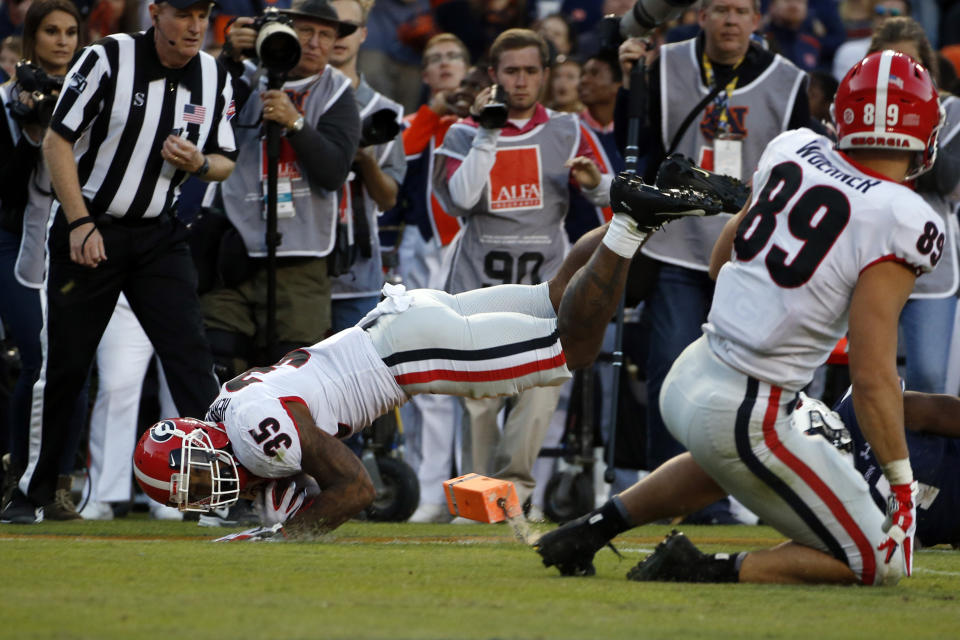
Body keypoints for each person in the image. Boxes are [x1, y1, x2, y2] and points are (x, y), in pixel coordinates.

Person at [131, 173, 733, 539]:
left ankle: (630, 223)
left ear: (196, 437)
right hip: (398, 322)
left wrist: (282, 538)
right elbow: (293, 480)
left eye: (191, 471)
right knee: (556, 297)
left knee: (572, 346)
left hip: (406, 353)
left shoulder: (249, 429)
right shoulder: (228, 407)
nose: (201, 488)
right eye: (188, 489)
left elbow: (355, 490)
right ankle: (650, 202)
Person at [537, 50, 945, 585]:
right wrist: (899, 481)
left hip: (695, 371)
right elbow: (871, 377)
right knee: (883, 561)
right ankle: (698, 568)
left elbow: (717, 262)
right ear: (921, 132)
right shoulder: (904, 216)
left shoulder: (796, 146)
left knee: (729, 464)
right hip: (751, 409)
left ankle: (589, 529)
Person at [1, 0, 238, 524]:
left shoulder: (213, 73)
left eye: (205, 14)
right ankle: (33, 490)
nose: (196, 25)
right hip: (93, 227)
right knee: (66, 366)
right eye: (184, 13)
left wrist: (200, 163)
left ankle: (223, 493)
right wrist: (80, 221)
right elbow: (58, 142)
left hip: (160, 235)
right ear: (156, 13)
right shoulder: (108, 57)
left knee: (192, 361)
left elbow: (225, 159)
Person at [617, 0, 810, 524]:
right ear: (700, 15)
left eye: (741, 9)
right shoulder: (661, 65)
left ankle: (735, 498)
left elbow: (804, 165)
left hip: (750, 255)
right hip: (676, 245)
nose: (730, 19)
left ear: (756, 20)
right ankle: (662, 497)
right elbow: (633, 145)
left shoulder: (790, 81)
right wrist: (626, 87)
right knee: (668, 373)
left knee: (745, 379)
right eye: (720, 8)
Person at [431, 28, 612, 517]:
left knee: (536, 402)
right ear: (494, 75)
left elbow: (613, 191)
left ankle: (511, 506)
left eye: (531, 71)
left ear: (546, 75)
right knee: (479, 408)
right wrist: (487, 132)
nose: (521, 81)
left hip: (544, 294)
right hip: (476, 291)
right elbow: (461, 200)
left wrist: (595, 185)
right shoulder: (463, 133)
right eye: (511, 71)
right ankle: (474, 510)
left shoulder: (568, 129)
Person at [203, 0, 361, 377]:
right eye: (305, 31)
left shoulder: (337, 91)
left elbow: (334, 173)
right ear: (284, 29)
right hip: (234, 249)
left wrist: (297, 124)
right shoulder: (245, 77)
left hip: (303, 261)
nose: (315, 42)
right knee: (220, 363)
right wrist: (230, 58)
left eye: (326, 34)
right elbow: (205, 118)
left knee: (292, 378)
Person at [374, 33, 473, 520]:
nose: (445, 64)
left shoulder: (488, 121)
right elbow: (398, 162)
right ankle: (429, 492)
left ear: (471, 70)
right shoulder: (414, 122)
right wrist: (433, 113)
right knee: (426, 374)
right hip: (424, 247)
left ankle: (476, 489)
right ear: (427, 75)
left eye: (453, 57)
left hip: (478, 246)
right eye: (435, 59)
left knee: (480, 376)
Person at [0, 0, 85, 520]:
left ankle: (54, 484)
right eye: (51, 31)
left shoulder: (97, 91)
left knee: (74, 366)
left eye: (72, 31)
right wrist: (33, 131)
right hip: (17, 241)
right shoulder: (5, 100)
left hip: (76, 239)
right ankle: (22, 475)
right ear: (31, 37)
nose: (62, 41)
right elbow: (6, 189)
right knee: (38, 359)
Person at [866, 18, 960, 395]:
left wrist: (914, 124)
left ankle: (923, 455)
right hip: (866, 251)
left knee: (928, 377)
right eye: (888, 62)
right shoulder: (857, 105)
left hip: (929, 260)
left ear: (928, 66)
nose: (899, 73)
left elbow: (954, 185)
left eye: (910, 63)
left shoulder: (952, 111)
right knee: (868, 375)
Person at [327, 0, 405, 334]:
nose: (341, 35)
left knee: (357, 383)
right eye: (334, 27)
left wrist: (368, 163)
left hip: (357, 276)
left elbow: (388, 199)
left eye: (350, 27)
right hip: (294, 272)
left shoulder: (386, 112)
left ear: (364, 34)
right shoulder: (290, 100)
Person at [832, 0, 910, 81]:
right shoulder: (849, 52)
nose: (885, 18)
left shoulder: (915, 52)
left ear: (907, 20)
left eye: (894, 13)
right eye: (880, 12)